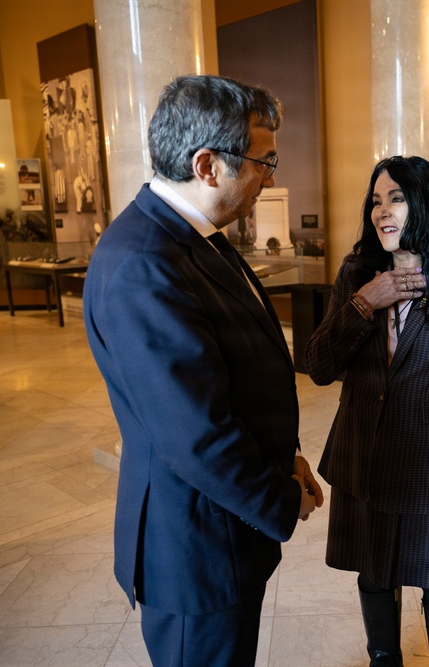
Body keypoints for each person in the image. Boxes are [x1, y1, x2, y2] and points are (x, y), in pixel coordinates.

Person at [84, 75, 323, 666]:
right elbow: (196, 435)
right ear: (208, 165)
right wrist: (280, 497)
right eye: (263, 161)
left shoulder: (194, 237)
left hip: (225, 527)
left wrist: (287, 456)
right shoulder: (144, 262)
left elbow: (245, 370)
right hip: (194, 547)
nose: (270, 177)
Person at [304, 155, 429, 666]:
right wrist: (366, 301)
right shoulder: (357, 275)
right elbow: (319, 366)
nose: (381, 211)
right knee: (373, 575)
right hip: (360, 460)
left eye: (396, 198)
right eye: (375, 201)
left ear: (426, 205)